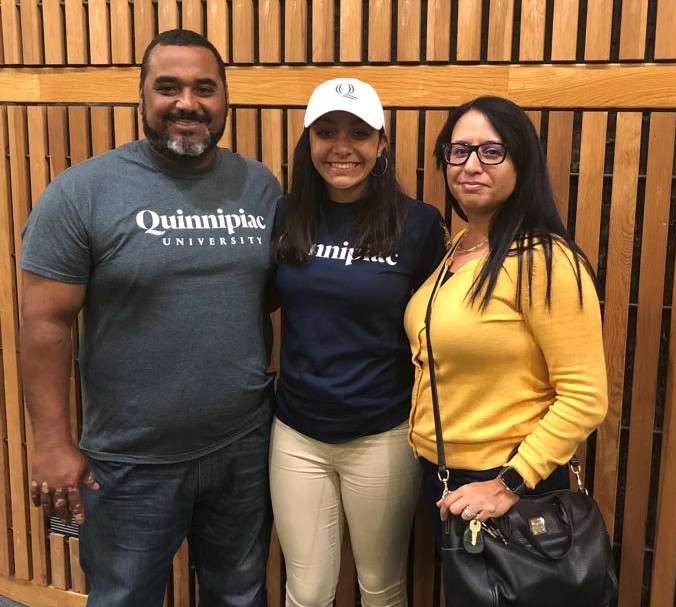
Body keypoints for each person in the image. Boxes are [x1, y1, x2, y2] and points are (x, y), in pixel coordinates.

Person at [20, 29, 282, 607]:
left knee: (239, 594)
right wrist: (51, 442)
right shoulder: (81, 193)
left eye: (203, 88)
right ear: (141, 96)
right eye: (168, 87)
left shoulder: (259, 186)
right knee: (124, 597)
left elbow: (258, 293)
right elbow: (46, 325)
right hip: (129, 460)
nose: (186, 103)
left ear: (225, 99)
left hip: (242, 446)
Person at [404, 96, 608, 590]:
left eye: (492, 151)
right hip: (446, 478)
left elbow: (585, 396)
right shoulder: (460, 245)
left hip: (507, 479)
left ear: (523, 161)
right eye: (459, 151)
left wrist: (507, 484)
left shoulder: (545, 260)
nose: (471, 165)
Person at [269, 78, 446, 607]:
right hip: (297, 432)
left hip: (381, 433)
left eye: (359, 133)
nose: (342, 147)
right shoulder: (287, 214)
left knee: (381, 586)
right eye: (326, 132)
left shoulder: (417, 224)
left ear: (382, 143)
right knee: (306, 591)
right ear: (308, 142)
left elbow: (435, 329)